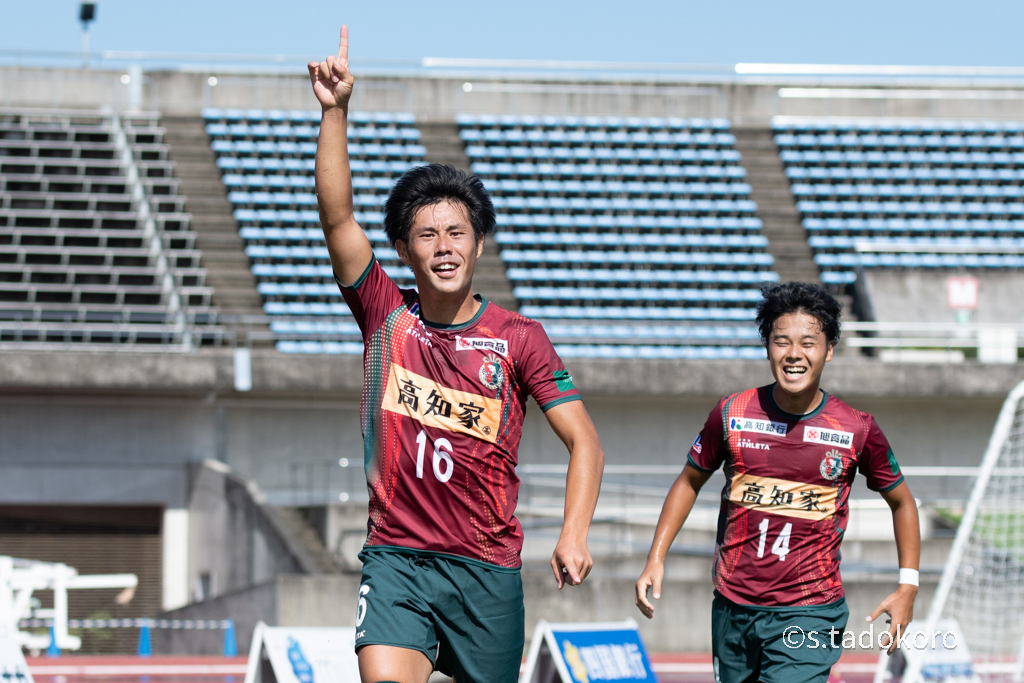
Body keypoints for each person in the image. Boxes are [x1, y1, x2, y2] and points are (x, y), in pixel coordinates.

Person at [307, 26, 605, 683]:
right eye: (426, 235)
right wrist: (335, 112)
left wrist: (574, 532)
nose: (443, 247)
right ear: (404, 250)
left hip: (486, 574)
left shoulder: (520, 338)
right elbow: (337, 220)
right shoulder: (386, 315)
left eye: (456, 233)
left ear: (477, 245)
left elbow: (585, 440)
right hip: (398, 561)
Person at [634, 282, 920, 683]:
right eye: (781, 341)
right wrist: (656, 557)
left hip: (810, 612)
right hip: (732, 608)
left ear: (829, 350)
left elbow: (903, 503)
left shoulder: (856, 428)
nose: (794, 354)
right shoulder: (732, 413)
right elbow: (688, 482)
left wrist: (909, 585)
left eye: (808, 343)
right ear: (767, 347)